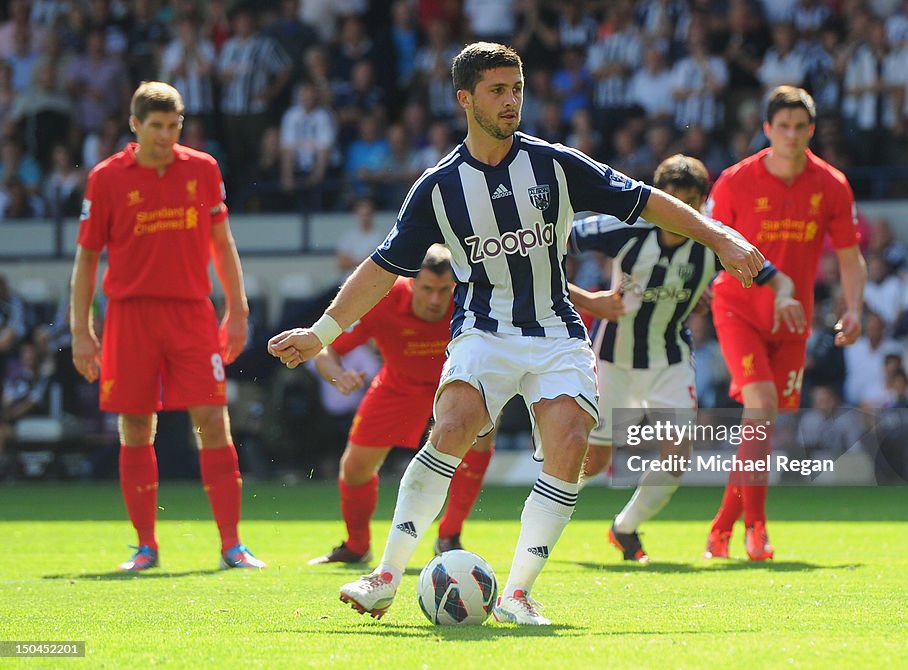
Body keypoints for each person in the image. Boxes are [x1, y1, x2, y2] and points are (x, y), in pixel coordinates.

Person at [268, 43, 763, 625]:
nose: (511, 101)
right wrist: (322, 332)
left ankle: (517, 593)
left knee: (572, 442)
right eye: (498, 90)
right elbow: (382, 266)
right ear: (465, 98)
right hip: (484, 328)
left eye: (517, 89)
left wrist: (721, 237)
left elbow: (645, 200)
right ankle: (384, 575)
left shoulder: (555, 165)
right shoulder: (438, 187)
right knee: (452, 426)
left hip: (556, 331)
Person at [569, 154, 803, 564]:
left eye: (690, 203)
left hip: (670, 360)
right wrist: (588, 300)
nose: (679, 212)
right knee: (596, 459)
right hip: (613, 359)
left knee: (677, 458)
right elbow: (542, 249)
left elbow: (771, 273)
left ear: (701, 203)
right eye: (670, 201)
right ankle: (543, 509)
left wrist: (784, 292)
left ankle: (623, 528)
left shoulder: (715, 241)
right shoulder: (621, 227)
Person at [70, 81, 264, 571]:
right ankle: (145, 546)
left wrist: (236, 309)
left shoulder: (202, 168)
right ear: (135, 126)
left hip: (191, 312)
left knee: (214, 421)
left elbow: (223, 244)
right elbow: (87, 260)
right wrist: (81, 330)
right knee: (135, 426)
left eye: (173, 126)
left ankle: (231, 545)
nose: (165, 135)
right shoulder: (106, 178)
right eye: (156, 126)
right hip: (130, 315)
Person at [705, 85, 866, 561]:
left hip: (794, 320)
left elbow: (851, 258)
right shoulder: (735, 182)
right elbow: (713, 245)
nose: (791, 136)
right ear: (767, 130)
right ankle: (757, 529)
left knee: (764, 422)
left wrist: (854, 308)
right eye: (783, 127)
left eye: (800, 127)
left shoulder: (832, 184)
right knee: (762, 405)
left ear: (811, 131)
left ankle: (720, 529)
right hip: (738, 309)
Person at [307, 245, 495, 565]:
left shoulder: (473, 299)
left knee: (483, 438)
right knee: (354, 468)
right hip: (397, 385)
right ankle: (357, 546)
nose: (435, 300)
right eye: (426, 289)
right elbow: (325, 349)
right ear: (411, 282)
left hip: (454, 383)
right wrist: (338, 376)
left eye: (443, 290)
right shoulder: (381, 300)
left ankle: (449, 536)